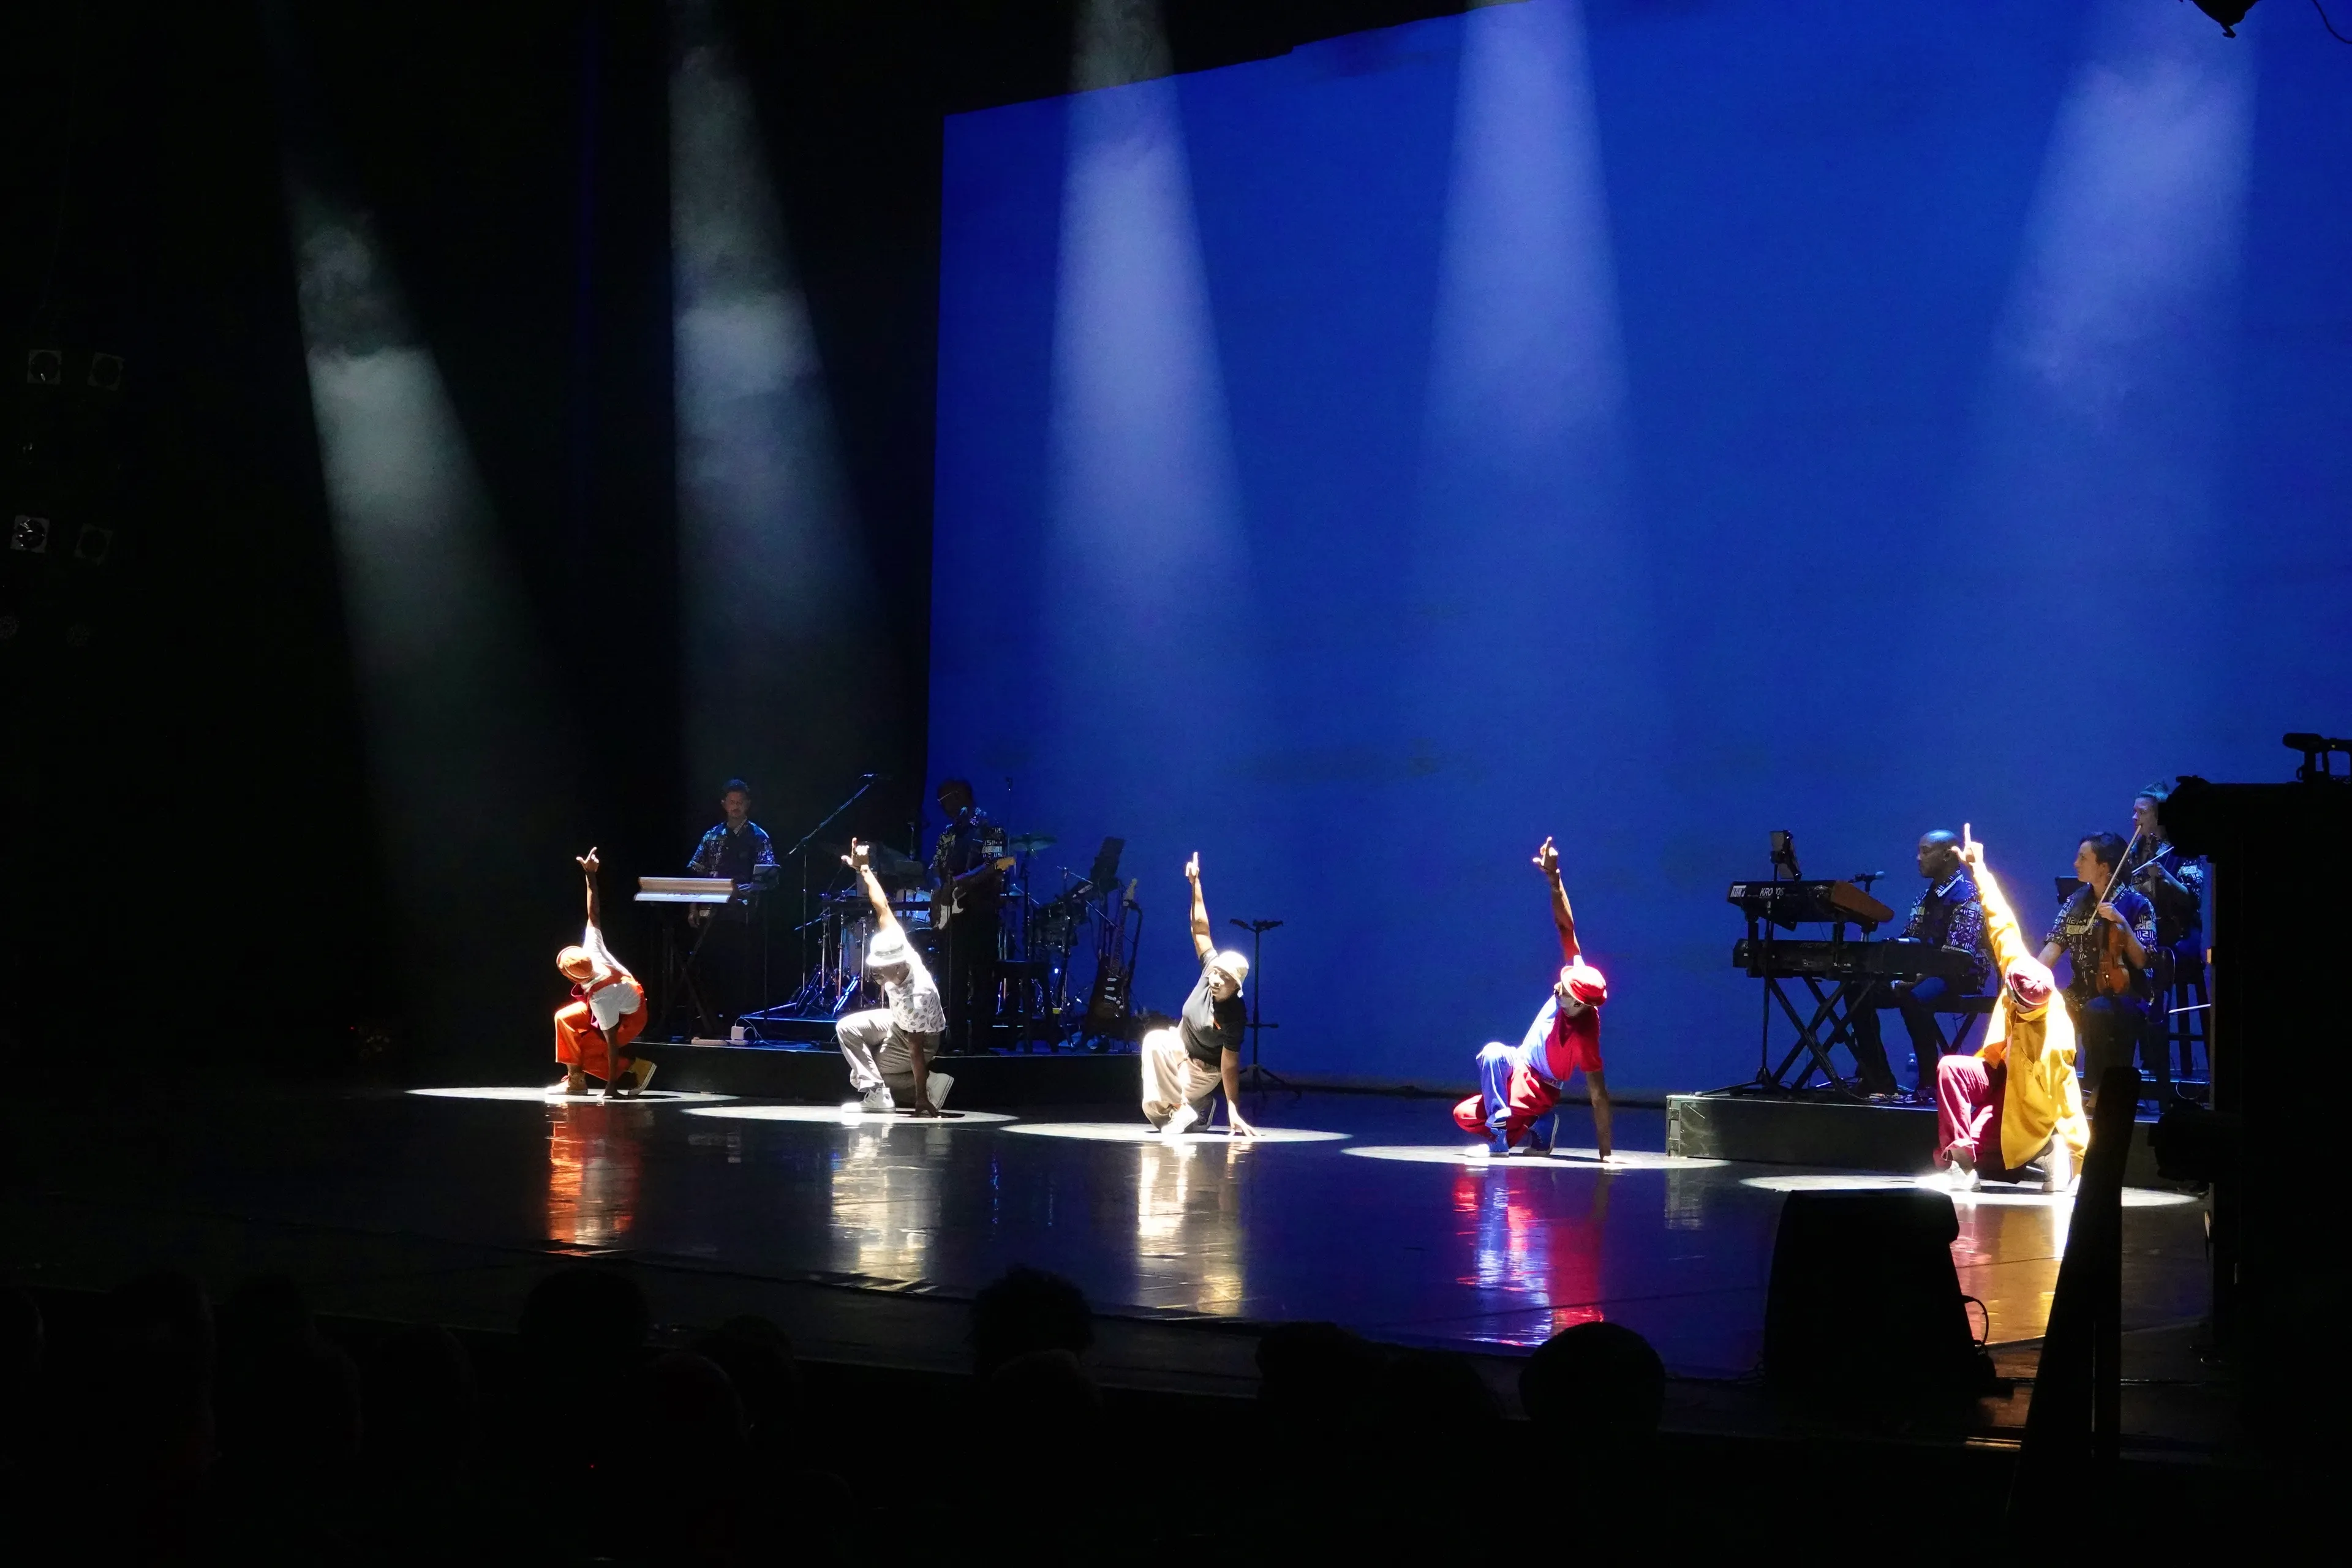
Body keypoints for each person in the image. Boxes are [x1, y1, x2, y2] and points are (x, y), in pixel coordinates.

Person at [1936, 827, 2089, 1191]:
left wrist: (2083, 1167)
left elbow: (2069, 1104)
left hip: (2023, 1104)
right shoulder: (2019, 969)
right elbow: (2000, 919)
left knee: (1990, 1149)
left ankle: (2049, 1151)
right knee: (1950, 1069)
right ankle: (1961, 1166)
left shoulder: (2053, 1041)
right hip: (1999, 1071)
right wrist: (1979, 868)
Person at [1451, 837, 1615, 1159]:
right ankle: (1526, 1124)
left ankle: (1507, 1136)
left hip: (1540, 1087)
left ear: (1580, 1004)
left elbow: (1598, 1094)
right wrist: (1555, 879)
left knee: (1472, 1117)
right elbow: (1566, 927)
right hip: (1519, 1061)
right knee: (1491, 1056)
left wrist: (1606, 1156)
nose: (1557, 988)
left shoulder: (1585, 1034)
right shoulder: (1576, 974)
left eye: (1565, 991)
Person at [1849, 831, 1989, 1100]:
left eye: (1925, 852)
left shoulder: (1968, 895)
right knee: (1859, 991)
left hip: (1961, 976)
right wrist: (1890, 969)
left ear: (1947, 855)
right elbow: (1909, 944)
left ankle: (1929, 1084)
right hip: (1925, 973)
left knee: (1913, 997)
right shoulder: (1925, 897)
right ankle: (1878, 1079)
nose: (1918, 858)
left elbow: (1958, 955)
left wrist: (1916, 977)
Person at [1139, 853, 1260, 1140]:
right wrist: (1196, 884)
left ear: (1236, 986)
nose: (1216, 980)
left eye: (1224, 978)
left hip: (1204, 1071)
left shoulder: (1235, 1016)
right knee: (1153, 1041)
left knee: (1156, 1107)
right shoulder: (1210, 971)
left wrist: (1233, 1110)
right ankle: (1189, 1107)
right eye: (1216, 973)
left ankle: (1194, 1104)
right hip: (1178, 1049)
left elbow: (1229, 1065)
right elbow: (1201, 929)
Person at [2040, 830, 2160, 1109]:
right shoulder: (2075, 902)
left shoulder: (2137, 904)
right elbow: (2053, 947)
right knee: (2045, 1008)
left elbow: (2143, 961)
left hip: (2127, 994)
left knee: (2097, 1011)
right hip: (2083, 990)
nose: (2076, 863)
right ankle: (2052, 1090)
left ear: (2104, 867)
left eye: (2083, 858)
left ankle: (2097, 1089)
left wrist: (2123, 924)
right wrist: (2027, 978)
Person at [834, 839, 952, 1115]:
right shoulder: (897, 942)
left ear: (898, 967)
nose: (875, 971)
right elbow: (882, 906)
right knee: (846, 1029)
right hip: (898, 1021)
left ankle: (926, 1087)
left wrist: (920, 1099)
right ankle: (881, 1090)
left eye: (881, 967)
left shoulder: (916, 997)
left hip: (922, 1037)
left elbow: (916, 1051)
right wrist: (864, 869)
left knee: (866, 1071)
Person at [2123, 782, 2206, 1104]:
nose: (2134, 818)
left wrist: (2165, 878)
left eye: (2141, 812)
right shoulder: (2135, 853)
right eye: (2134, 812)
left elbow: (2193, 900)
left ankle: (2158, 1073)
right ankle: (2128, 1067)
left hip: (2178, 937)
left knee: (2155, 964)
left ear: (2159, 816)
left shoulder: (2182, 850)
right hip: (2149, 937)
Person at [552, 848, 653, 1098]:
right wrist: (590, 875)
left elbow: (611, 1041)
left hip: (631, 1017)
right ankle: (576, 1082)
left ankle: (637, 1067)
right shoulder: (592, 950)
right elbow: (594, 912)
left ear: (572, 979)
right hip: (617, 999)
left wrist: (611, 1088)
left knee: (585, 1052)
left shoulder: (601, 998)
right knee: (563, 1018)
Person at [685, 779, 779, 1025]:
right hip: (710, 910)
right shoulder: (711, 836)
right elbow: (697, 872)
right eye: (732, 802)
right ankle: (708, 1020)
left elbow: (769, 876)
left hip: (741, 914)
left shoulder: (758, 836)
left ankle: (734, 1020)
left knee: (736, 967)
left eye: (740, 802)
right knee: (709, 964)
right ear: (724, 804)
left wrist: (750, 890)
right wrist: (693, 907)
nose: (736, 807)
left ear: (747, 805)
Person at [929, 778, 1011, 1051]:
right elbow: (935, 866)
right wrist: (939, 888)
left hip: (981, 911)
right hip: (952, 916)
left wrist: (962, 882)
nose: (943, 808)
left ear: (960, 796)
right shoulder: (949, 833)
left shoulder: (990, 828)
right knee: (951, 977)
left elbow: (996, 865)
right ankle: (953, 1037)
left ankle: (980, 1042)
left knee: (981, 978)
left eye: (945, 801)